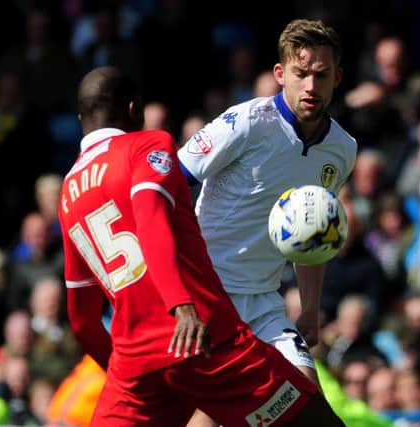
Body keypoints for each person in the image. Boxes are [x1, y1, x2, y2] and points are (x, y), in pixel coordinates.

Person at [58, 65, 344, 426]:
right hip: (202, 338)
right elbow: (151, 220)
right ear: (134, 110)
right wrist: (182, 306)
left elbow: (83, 321)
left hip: (133, 364)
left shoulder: (68, 191)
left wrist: (126, 368)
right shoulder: (148, 144)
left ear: (82, 117)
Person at [178, 18, 356, 426]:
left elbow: (314, 239)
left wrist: (309, 308)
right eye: (301, 73)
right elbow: (172, 183)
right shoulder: (245, 122)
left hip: (263, 304)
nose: (311, 86)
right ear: (281, 74)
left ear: (337, 78)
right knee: (219, 414)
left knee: (308, 407)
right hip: (209, 297)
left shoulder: (342, 150)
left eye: (321, 75)